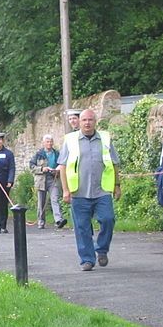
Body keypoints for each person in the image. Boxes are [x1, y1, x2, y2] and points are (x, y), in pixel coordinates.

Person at [58, 109, 122, 271]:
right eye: (84, 120)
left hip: (102, 191)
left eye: (90, 120)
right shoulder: (70, 140)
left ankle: (101, 249)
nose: (87, 123)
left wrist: (117, 186)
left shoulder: (105, 139)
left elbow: (114, 163)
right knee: (82, 227)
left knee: (108, 219)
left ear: (95, 122)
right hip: (78, 192)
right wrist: (65, 190)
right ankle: (87, 259)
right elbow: (63, 167)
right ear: (79, 122)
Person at [29, 134, 67, 229]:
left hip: (53, 178)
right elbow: (31, 167)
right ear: (43, 143)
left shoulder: (57, 153)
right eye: (47, 142)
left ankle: (58, 220)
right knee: (41, 202)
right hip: (41, 180)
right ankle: (41, 221)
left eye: (51, 141)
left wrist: (57, 170)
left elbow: (61, 164)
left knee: (55, 199)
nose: (49, 143)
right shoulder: (38, 154)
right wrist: (42, 169)